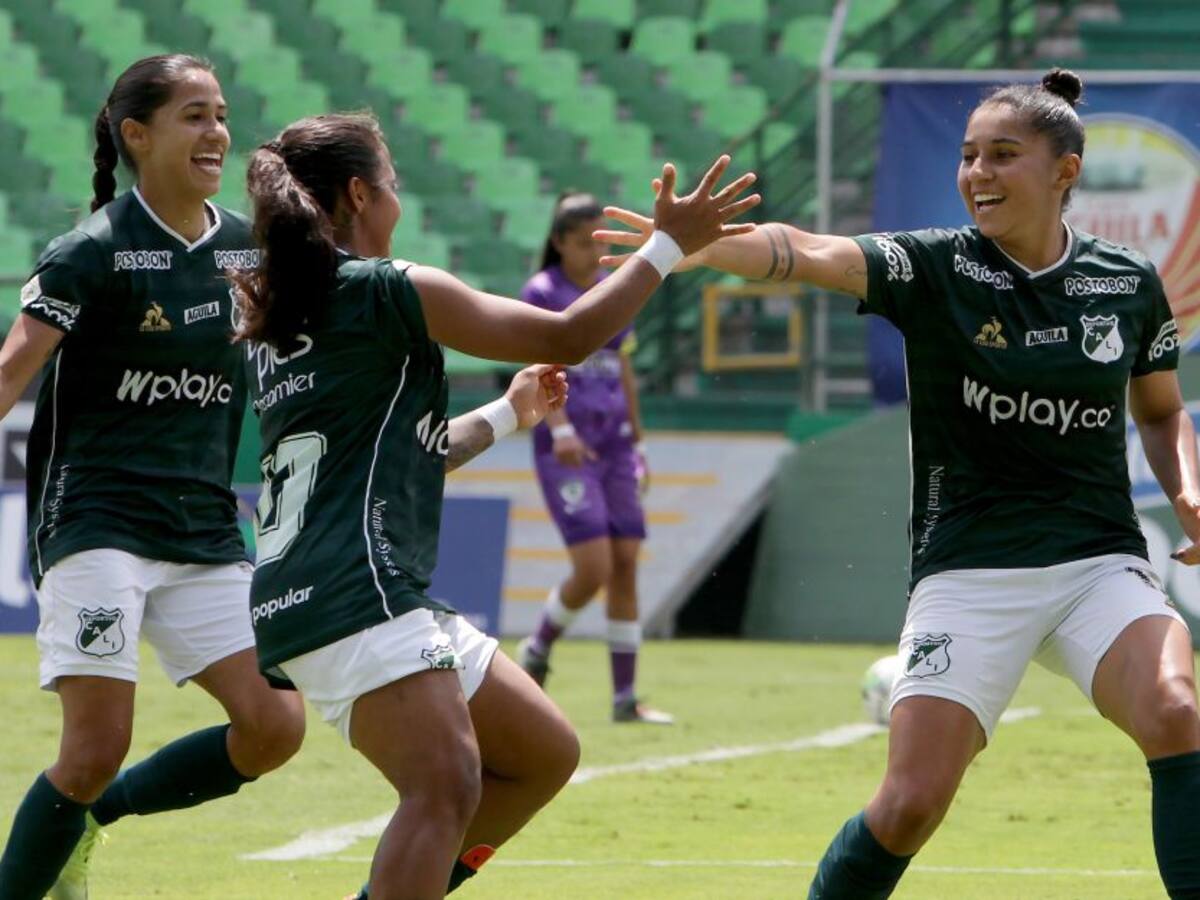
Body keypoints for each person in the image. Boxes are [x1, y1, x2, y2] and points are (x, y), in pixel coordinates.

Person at [598, 68, 1200, 899]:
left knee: (1175, 713)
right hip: (970, 570)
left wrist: (1186, 492)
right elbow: (806, 251)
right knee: (910, 805)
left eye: (1002, 155)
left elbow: (1163, 413)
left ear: (1065, 171)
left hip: (1098, 563)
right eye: (967, 156)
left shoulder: (1127, 283)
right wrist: (689, 247)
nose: (978, 173)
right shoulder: (934, 266)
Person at [230, 111, 757, 899]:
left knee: (543, 753)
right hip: (357, 590)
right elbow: (572, 333)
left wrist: (510, 415)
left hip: (331, 588)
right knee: (445, 788)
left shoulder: (281, 314)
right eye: (395, 185)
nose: (398, 202)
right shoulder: (385, 288)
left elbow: (415, 452)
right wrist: (669, 244)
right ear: (358, 193)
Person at [0, 55, 306, 900]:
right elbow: (8, 374)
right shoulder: (91, 252)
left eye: (220, 114)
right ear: (138, 135)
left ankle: (88, 823)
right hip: (96, 519)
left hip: (204, 524)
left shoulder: (250, 247)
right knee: (94, 750)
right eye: (194, 116)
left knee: (275, 726)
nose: (216, 133)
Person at [514, 192, 671, 724]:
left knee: (625, 563)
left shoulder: (609, 292)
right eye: (582, 243)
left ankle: (625, 698)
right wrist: (558, 428)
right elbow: (534, 366)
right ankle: (537, 647)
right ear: (558, 243)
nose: (590, 253)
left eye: (597, 243)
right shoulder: (542, 292)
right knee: (595, 566)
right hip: (568, 448)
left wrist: (640, 442)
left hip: (615, 445)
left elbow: (622, 370)